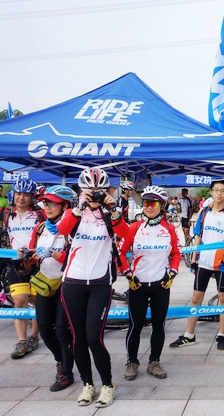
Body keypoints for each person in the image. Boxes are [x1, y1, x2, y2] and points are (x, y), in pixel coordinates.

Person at [58, 167, 128, 407]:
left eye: (99, 190)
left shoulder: (109, 214)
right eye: (90, 189)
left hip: (100, 282)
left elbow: (125, 234)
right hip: (72, 282)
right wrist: (79, 207)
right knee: (78, 337)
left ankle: (107, 384)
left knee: (93, 337)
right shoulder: (74, 212)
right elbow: (62, 230)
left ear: (107, 191)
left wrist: (113, 209)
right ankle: (87, 384)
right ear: (81, 189)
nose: (94, 193)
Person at [120, 186, 181, 381]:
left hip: (160, 285)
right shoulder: (134, 227)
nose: (148, 207)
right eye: (146, 203)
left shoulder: (169, 229)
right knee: (135, 326)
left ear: (162, 206)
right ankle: (132, 362)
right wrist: (128, 273)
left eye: (153, 203)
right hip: (137, 285)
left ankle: (154, 362)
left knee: (159, 326)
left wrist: (172, 272)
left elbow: (176, 253)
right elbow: (121, 253)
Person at [170, 180, 224, 350]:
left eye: (222, 190)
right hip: (204, 262)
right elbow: (198, 236)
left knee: (223, 298)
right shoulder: (204, 212)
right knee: (196, 298)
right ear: (211, 192)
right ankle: (189, 334)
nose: (219, 193)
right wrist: (194, 260)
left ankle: (222, 333)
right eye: (216, 190)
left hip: (223, 263)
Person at [28, 185, 77, 391]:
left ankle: (66, 373)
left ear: (65, 206)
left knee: (62, 332)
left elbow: (76, 258)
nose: (47, 207)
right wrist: (26, 255)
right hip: (45, 283)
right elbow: (33, 255)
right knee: (45, 330)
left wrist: (54, 254)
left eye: (52, 204)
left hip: (66, 284)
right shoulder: (40, 228)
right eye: (45, 203)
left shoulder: (73, 229)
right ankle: (61, 361)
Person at [4, 179, 44, 359]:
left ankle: (34, 335)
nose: (21, 198)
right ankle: (22, 340)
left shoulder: (39, 214)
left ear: (32, 197)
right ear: (13, 194)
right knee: (19, 300)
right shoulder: (6, 214)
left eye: (26, 194)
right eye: (18, 193)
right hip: (15, 263)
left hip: (37, 263)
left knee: (36, 300)